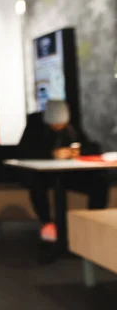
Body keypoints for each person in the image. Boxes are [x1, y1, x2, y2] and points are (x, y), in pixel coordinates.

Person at [19, 100, 108, 256]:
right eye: (56, 125)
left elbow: (91, 146)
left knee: (100, 182)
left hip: (69, 175)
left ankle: (92, 226)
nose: (59, 127)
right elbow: (24, 152)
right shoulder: (35, 126)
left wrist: (79, 152)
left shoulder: (71, 127)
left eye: (62, 124)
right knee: (37, 185)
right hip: (42, 176)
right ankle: (48, 226)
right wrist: (51, 154)